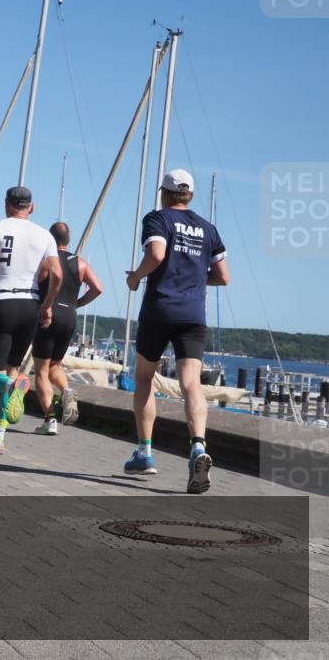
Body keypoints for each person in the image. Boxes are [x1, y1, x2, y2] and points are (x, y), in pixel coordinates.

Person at [124, 169, 229, 493]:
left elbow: (156, 254)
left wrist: (136, 277)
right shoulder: (209, 229)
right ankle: (198, 445)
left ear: (165, 194)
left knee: (143, 378)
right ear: (191, 195)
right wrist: (198, 279)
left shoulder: (158, 219)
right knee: (191, 384)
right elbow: (223, 276)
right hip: (193, 315)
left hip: (160, 309)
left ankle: (145, 452)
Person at [0, 186, 62, 455]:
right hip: (30, 305)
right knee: (12, 372)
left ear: (6, 204)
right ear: (31, 207)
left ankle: (10, 388)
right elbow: (56, 273)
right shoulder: (44, 235)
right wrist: (47, 305)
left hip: (2, 303)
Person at [31, 221, 103, 434]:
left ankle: (50, 420)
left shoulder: (46, 261)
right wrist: (77, 303)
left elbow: (35, 285)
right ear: (68, 240)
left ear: (50, 239)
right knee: (55, 366)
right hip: (69, 316)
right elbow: (98, 288)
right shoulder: (80, 262)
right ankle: (66, 390)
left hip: (47, 314)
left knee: (41, 372)